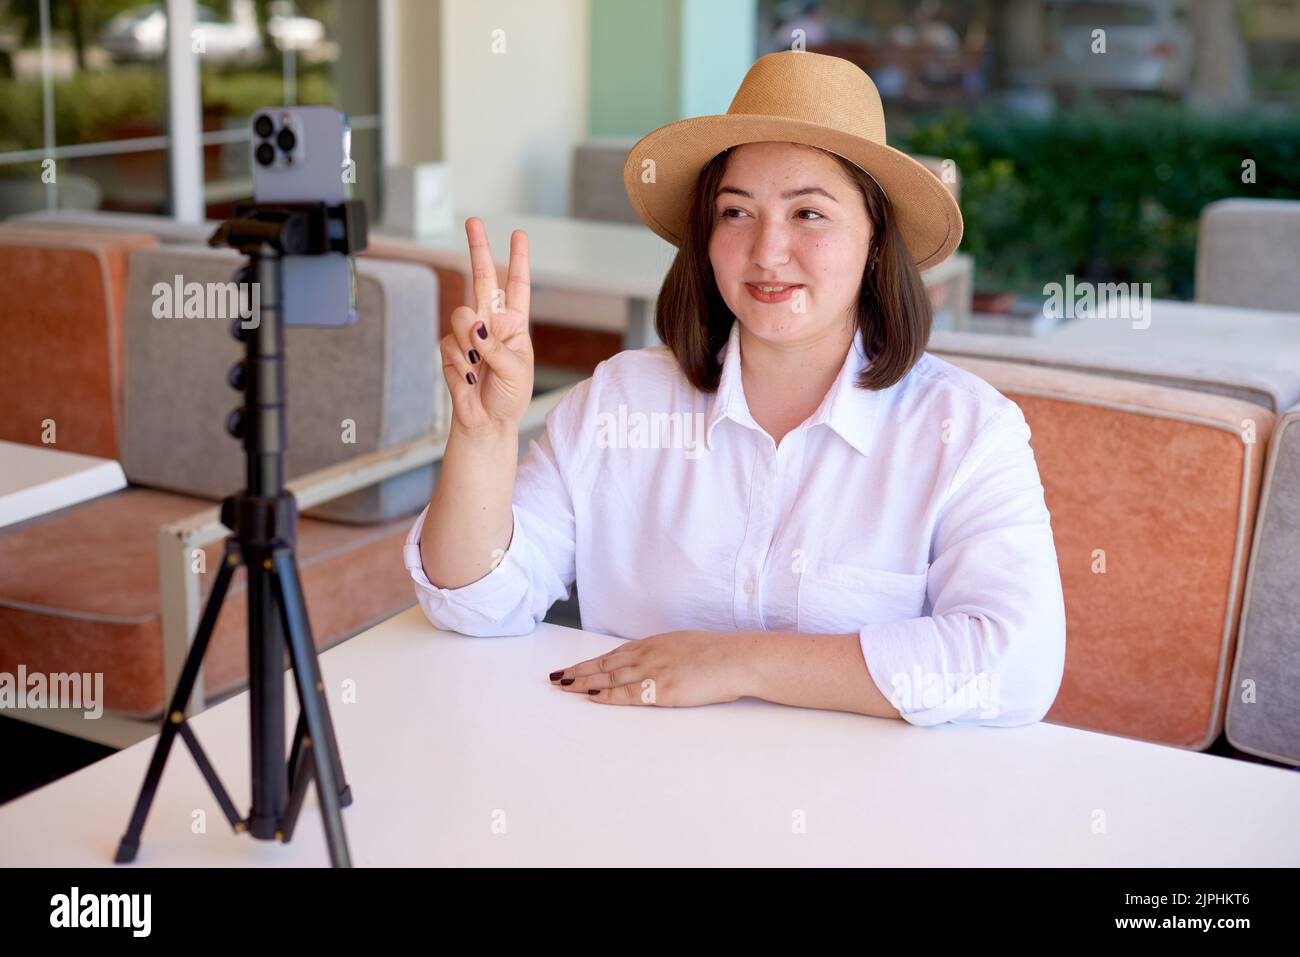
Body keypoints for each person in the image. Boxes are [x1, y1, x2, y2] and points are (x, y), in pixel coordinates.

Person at [404, 51, 1065, 727]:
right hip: (631, 786)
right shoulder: (620, 401)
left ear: (875, 239)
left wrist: (736, 661)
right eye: (736, 212)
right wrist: (484, 438)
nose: (767, 251)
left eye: (809, 213)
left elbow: (1017, 664)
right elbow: (474, 601)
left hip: (862, 809)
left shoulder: (967, 430)